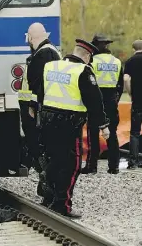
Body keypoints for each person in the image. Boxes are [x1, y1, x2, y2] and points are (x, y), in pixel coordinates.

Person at [38, 39, 110, 218]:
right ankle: (62, 205)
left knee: (54, 159)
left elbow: (39, 91)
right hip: (69, 124)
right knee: (72, 165)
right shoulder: (83, 71)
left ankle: (48, 194)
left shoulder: (51, 66)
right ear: (86, 56)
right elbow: (95, 102)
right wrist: (103, 126)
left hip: (47, 120)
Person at [18, 22, 61, 193]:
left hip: (37, 112)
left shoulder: (44, 54)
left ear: (30, 38)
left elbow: (40, 86)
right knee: (40, 148)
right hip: (39, 111)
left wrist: (33, 107)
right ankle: (46, 183)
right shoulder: (47, 52)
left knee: (40, 148)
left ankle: (48, 183)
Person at [82, 34, 123, 175]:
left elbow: (87, 83)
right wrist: (115, 100)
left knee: (93, 134)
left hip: (96, 100)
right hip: (111, 100)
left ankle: (92, 166)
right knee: (112, 134)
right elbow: (120, 85)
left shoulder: (92, 61)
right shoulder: (116, 61)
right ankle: (114, 167)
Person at [124, 40, 142, 169]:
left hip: (137, 101)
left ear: (133, 48)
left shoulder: (130, 61)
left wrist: (130, 93)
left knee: (135, 132)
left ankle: (133, 161)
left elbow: (125, 79)